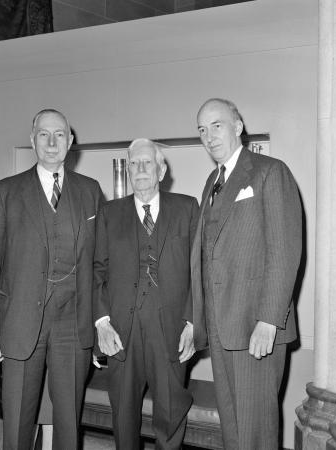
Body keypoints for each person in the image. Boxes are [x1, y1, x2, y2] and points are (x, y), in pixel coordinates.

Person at [0, 108, 103, 450]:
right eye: (43, 134)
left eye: (59, 134)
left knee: (67, 425)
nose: (51, 142)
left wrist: (101, 322)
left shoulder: (91, 191)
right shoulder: (5, 192)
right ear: (32, 141)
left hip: (73, 326)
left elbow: (100, 264)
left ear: (70, 141)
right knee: (17, 421)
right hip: (20, 323)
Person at [192, 98, 302, 450]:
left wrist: (269, 320)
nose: (209, 137)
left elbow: (285, 252)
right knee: (233, 430)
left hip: (257, 327)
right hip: (222, 327)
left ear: (238, 126)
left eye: (217, 125)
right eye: (202, 130)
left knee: (255, 432)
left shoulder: (270, 171)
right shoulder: (212, 181)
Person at [94, 138, 199, 450]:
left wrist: (193, 324)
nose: (139, 169)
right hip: (121, 333)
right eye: (133, 164)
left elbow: (199, 271)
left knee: (170, 412)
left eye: (147, 163)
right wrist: (101, 322)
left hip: (171, 331)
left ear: (161, 170)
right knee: (123, 414)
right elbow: (97, 269)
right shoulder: (109, 213)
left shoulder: (187, 208)